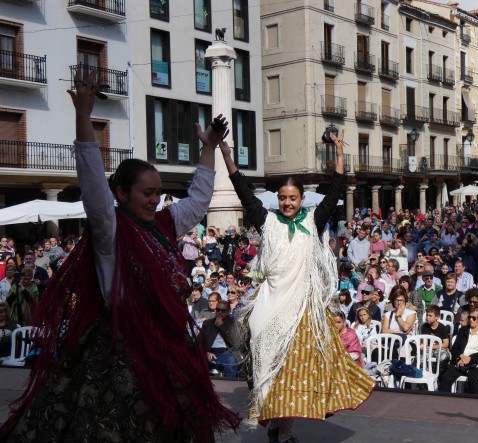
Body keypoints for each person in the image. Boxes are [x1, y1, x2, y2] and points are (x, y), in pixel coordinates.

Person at [0, 73, 239, 440]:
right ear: (122, 193)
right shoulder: (110, 231)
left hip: (166, 343)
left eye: (158, 192)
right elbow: (94, 184)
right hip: (123, 348)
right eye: (146, 192)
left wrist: (208, 149)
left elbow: (199, 200)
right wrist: (84, 117)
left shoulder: (162, 223)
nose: (154, 199)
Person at [220, 129, 374, 440]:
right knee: (268, 369)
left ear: (301, 199)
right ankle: (278, 429)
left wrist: (340, 156)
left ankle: (283, 433)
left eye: (292, 198)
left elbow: (335, 191)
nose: (287, 203)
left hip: (302, 310)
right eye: (283, 198)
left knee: (296, 374)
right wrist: (226, 155)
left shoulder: (312, 221)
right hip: (269, 306)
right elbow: (243, 192)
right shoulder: (268, 221)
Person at [439, 306, 478, 395]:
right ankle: (443, 401)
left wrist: (468, 359)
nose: (471, 319)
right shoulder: (463, 331)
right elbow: (454, 349)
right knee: (446, 377)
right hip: (460, 362)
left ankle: (477, 403)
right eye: (469, 317)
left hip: (477, 364)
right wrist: (461, 356)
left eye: (474, 318)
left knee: (473, 379)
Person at [203, 300, 242, 378]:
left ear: (228, 311)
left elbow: (236, 344)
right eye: (218, 310)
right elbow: (200, 342)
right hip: (209, 353)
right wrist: (206, 352)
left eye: (223, 311)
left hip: (225, 353)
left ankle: (229, 387)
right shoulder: (208, 323)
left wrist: (222, 327)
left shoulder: (234, 324)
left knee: (231, 361)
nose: (220, 312)